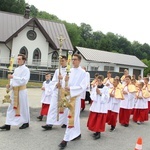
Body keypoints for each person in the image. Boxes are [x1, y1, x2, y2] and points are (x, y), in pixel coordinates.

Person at [58, 54, 87, 149]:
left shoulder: (84, 73)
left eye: (75, 59)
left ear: (79, 61)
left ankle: (65, 140)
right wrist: (63, 81)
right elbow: (64, 85)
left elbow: (83, 86)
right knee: (74, 117)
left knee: (71, 117)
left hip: (75, 98)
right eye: (72, 59)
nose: (73, 61)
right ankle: (77, 134)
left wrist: (71, 89)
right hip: (68, 96)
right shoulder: (69, 71)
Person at [0, 54, 30, 130]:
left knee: (23, 107)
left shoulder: (26, 69)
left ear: (24, 60)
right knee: (11, 107)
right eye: (18, 59)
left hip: (22, 91)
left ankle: (25, 122)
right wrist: (9, 86)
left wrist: (14, 77)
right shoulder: (16, 69)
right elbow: (13, 81)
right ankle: (8, 124)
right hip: (15, 91)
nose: (18, 60)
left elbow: (24, 80)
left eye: (19, 59)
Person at [42, 56, 68, 130]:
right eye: (60, 61)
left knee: (65, 107)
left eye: (63, 60)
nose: (61, 62)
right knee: (53, 106)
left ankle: (65, 122)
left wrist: (62, 79)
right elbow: (53, 81)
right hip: (57, 91)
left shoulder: (69, 70)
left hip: (65, 92)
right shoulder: (57, 70)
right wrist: (56, 84)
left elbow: (69, 82)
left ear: (66, 61)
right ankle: (49, 123)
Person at [87, 75, 109, 140]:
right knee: (95, 119)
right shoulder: (95, 87)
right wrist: (95, 94)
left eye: (100, 81)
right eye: (97, 81)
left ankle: (98, 132)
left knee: (99, 120)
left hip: (101, 107)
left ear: (102, 81)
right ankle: (95, 131)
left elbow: (107, 98)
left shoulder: (106, 88)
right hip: (96, 106)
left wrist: (100, 94)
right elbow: (92, 96)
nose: (98, 82)